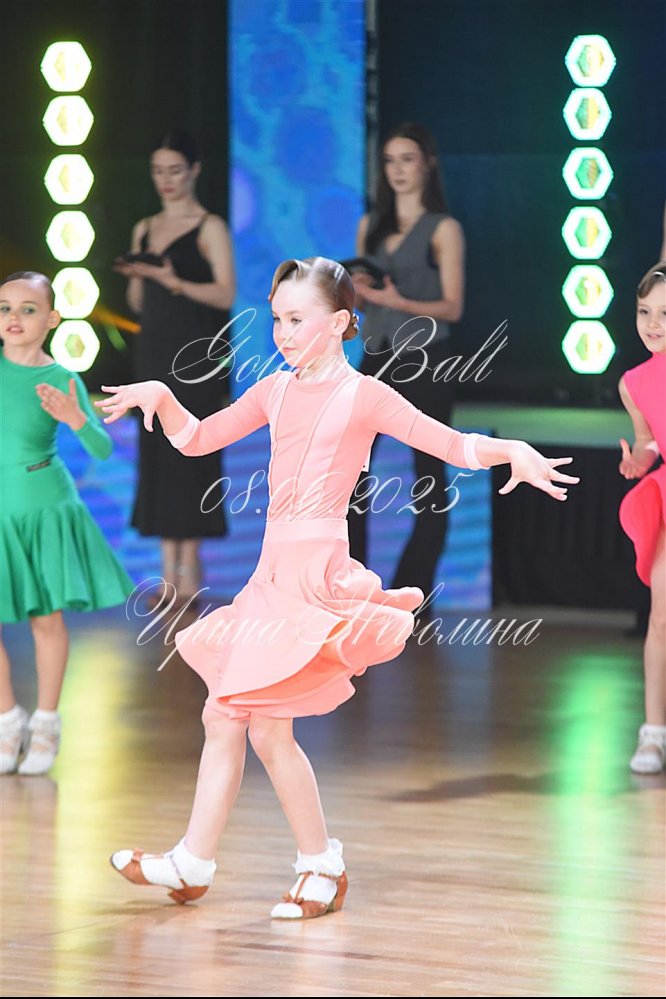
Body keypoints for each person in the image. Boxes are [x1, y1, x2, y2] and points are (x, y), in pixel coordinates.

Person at [98, 256, 578, 918]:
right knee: (229, 717)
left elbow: (448, 444)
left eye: (297, 319)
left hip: (316, 575)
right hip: (269, 578)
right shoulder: (273, 390)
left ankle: (314, 863)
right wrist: (161, 396)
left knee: (265, 729)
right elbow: (198, 439)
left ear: (340, 322)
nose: (283, 333)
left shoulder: (365, 395)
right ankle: (200, 862)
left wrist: (510, 450)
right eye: (277, 319)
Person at [0, 271, 134, 775]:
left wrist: (76, 419)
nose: (13, 318)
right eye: (4, 307)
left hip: (46, 508)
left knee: (45, 618)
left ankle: (46, 723)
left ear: (52, 319)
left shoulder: (62, 379)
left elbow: (101, 447)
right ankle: (7, 719)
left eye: (27, 309)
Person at [114, 129, 235, 607]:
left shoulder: (209, 226)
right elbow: (138, 304)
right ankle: (168, 571)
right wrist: (141, 276)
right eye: (158, 171)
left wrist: (173, 280)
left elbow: (225, 294)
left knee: (191, 455)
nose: (166, 180)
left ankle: (190, 569)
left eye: (175, 171)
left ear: (194, 171)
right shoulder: (144, 227)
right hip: (153, 355)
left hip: (195, 360)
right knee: (158, 459)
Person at [348, 122, 465, 614]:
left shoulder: (443, 228)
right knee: (351, 474)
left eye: (407, 159)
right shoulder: (370, 226)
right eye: (390, 161)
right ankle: (352, 589)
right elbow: (361, 300)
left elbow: (452, 306)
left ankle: (411, 595)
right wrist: (357, 295)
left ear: (427, 164)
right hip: (376, 354)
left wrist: (399, 301)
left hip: (427, 358)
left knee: (428, 478)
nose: (397, 170)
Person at [618, 262, 666, 774]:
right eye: (644, 311)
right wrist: (639, 459)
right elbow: (650, 439)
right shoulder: (633, 382)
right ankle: (653, 734)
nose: (653, 324)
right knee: (661, 617)